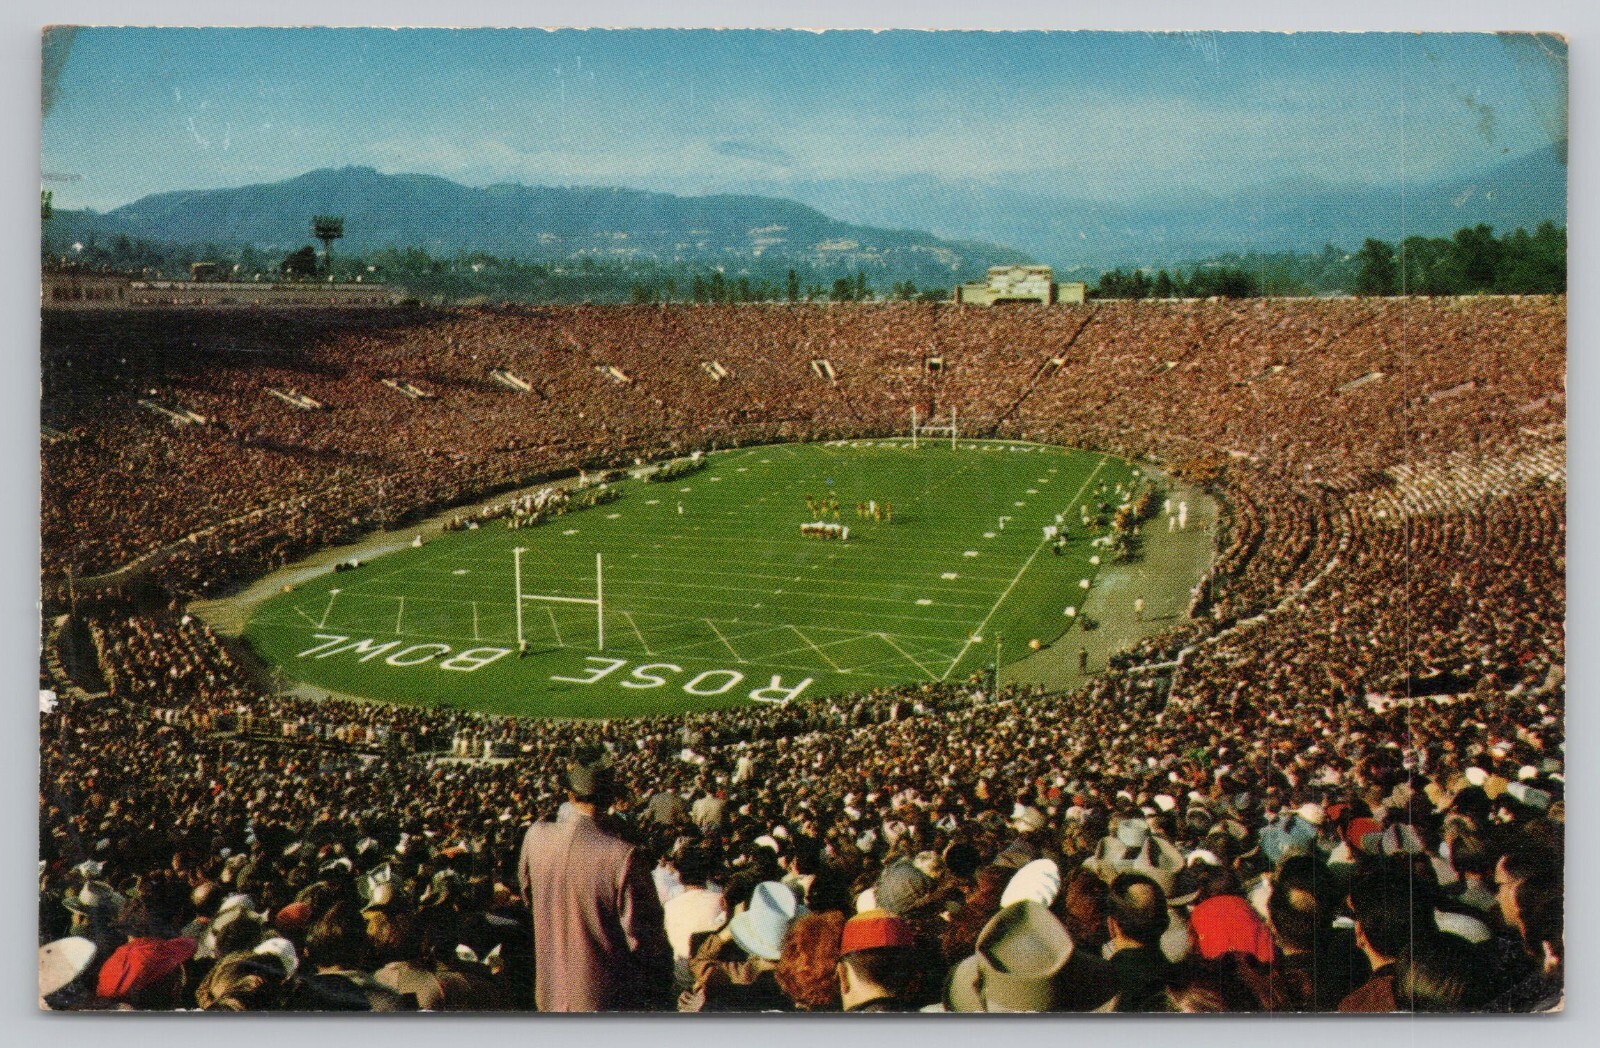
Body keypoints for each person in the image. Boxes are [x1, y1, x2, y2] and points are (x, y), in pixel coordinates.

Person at [517, 750, 672, 1011]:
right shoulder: (622, 855)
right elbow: (646, 941)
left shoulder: (535, 836)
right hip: (605, 999)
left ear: (569, 794)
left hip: (549, 992)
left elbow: (528, 897)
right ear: (611, 797)